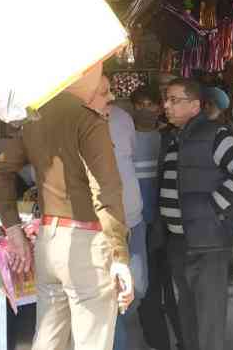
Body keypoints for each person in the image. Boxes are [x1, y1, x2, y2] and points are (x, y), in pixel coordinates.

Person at [0, 73, 134, 350]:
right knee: (92, 340)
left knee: (48, 339)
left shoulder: (35, 122)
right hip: (87, 245)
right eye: (104, 91)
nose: (111, 98)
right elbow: (106, 191)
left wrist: (13, 229)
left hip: (49, 242)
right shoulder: (89, 121)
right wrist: (119, 256)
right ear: (84, 85)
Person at [156, 78, 233, 350]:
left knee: (209, 318)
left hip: (208, 243)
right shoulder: (173, 138)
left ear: (195, 105)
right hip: (179, 241)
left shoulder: (216, 134)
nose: (166, 105)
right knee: (187, 312)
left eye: (174, 100)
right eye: (166, 99)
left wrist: (212, 207)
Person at [88, 75, 148, 350]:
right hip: (100, 222)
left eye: (110, 90)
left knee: (133, 288)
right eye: (104, 92)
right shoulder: (79, 122)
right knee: (112, 296)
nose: (110, 97)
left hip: (131, 216)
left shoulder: (122, 118)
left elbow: (130, 155)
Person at [131, 86, 182, 350]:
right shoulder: (124, 138)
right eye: (141, 104)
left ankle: (184, 340)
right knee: (146, 290)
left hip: (168, 222)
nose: (146, 110)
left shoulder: (169, 137)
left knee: (173, 289)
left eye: (151, 104)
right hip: (139, 224)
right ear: (133, 107)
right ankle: (158, 343)